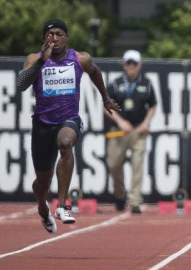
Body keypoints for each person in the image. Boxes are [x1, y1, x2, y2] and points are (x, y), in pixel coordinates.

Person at [16, 19, 120, 233]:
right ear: (45, 38)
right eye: (50, 34)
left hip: (68, 119)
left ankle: (62, 205)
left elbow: (95, 71)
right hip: (42, 125)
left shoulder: (79, 59)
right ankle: (42, 209)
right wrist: (39, 63)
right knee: (41, 184)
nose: (54, 38)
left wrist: (105, 98)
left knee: (66, 143)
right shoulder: (34, 59)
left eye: (59, 33)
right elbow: (20, 85)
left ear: (66, 37)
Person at [105, 50, 157, 214]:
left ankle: (135, 200)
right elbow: (107, 106)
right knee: (113, 164)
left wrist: (146, 123)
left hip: (137, 131)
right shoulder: (116, 83)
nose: (131, 66)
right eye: (128, 63)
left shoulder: (146, 84)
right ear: (124, 65)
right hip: (119, 131)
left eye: (134, 63)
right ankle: (120, 195)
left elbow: (153, 105)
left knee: (137, 165)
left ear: (140, 65)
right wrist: (120, 121)